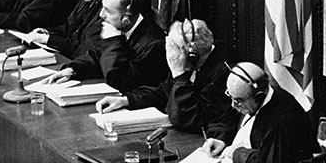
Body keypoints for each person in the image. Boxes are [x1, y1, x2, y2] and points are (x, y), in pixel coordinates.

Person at [95, 18, 239, 135]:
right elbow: (165, 92)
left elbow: (189, 119)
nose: (170, 55)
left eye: (173, 49)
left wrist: (179, 74)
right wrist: (126, 100)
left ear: (192, 54)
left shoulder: (224, 73)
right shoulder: (194, 63)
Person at [201, 62, 317, 163]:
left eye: (238, 101)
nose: (233, 105)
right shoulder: (248, 100)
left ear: (259, 97)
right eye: (231, 97)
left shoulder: (284, 116)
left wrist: (236, 153)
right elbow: (230, 123)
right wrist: (222, 140)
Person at [44, 0, 168, 92]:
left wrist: (113, 41)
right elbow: (98, 56)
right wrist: (73, 69)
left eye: (107, 11)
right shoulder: (122, 28)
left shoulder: (153, 44)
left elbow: (119, 81)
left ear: (126, 19)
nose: (101, 14)